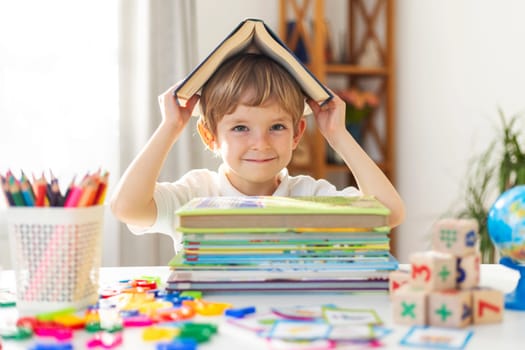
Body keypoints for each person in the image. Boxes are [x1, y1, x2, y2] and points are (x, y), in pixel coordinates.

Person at [111, 53, 405, 251]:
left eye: (277, 127)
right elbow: (127, 207)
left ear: (297, 134)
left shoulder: (309, 195)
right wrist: (170, 127)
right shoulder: (196, 193)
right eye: (240, 128)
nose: (261, 143)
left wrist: (338, 136)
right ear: (209, 136)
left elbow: (388, 213)